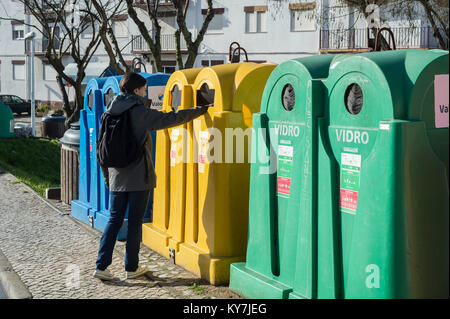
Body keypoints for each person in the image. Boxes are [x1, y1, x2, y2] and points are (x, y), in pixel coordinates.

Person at [93, 72, 211, 280]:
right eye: (145, 89)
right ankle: (131, 268)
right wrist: (201, 110)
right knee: (135, 222)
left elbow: (100, 151)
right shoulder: (138, 112)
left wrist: (107, 178)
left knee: (114, 220)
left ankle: (101, 267)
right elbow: (170, 118)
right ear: (137, 90)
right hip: (139, 176)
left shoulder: (108, 113)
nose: (146, 92)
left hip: (115, 177)